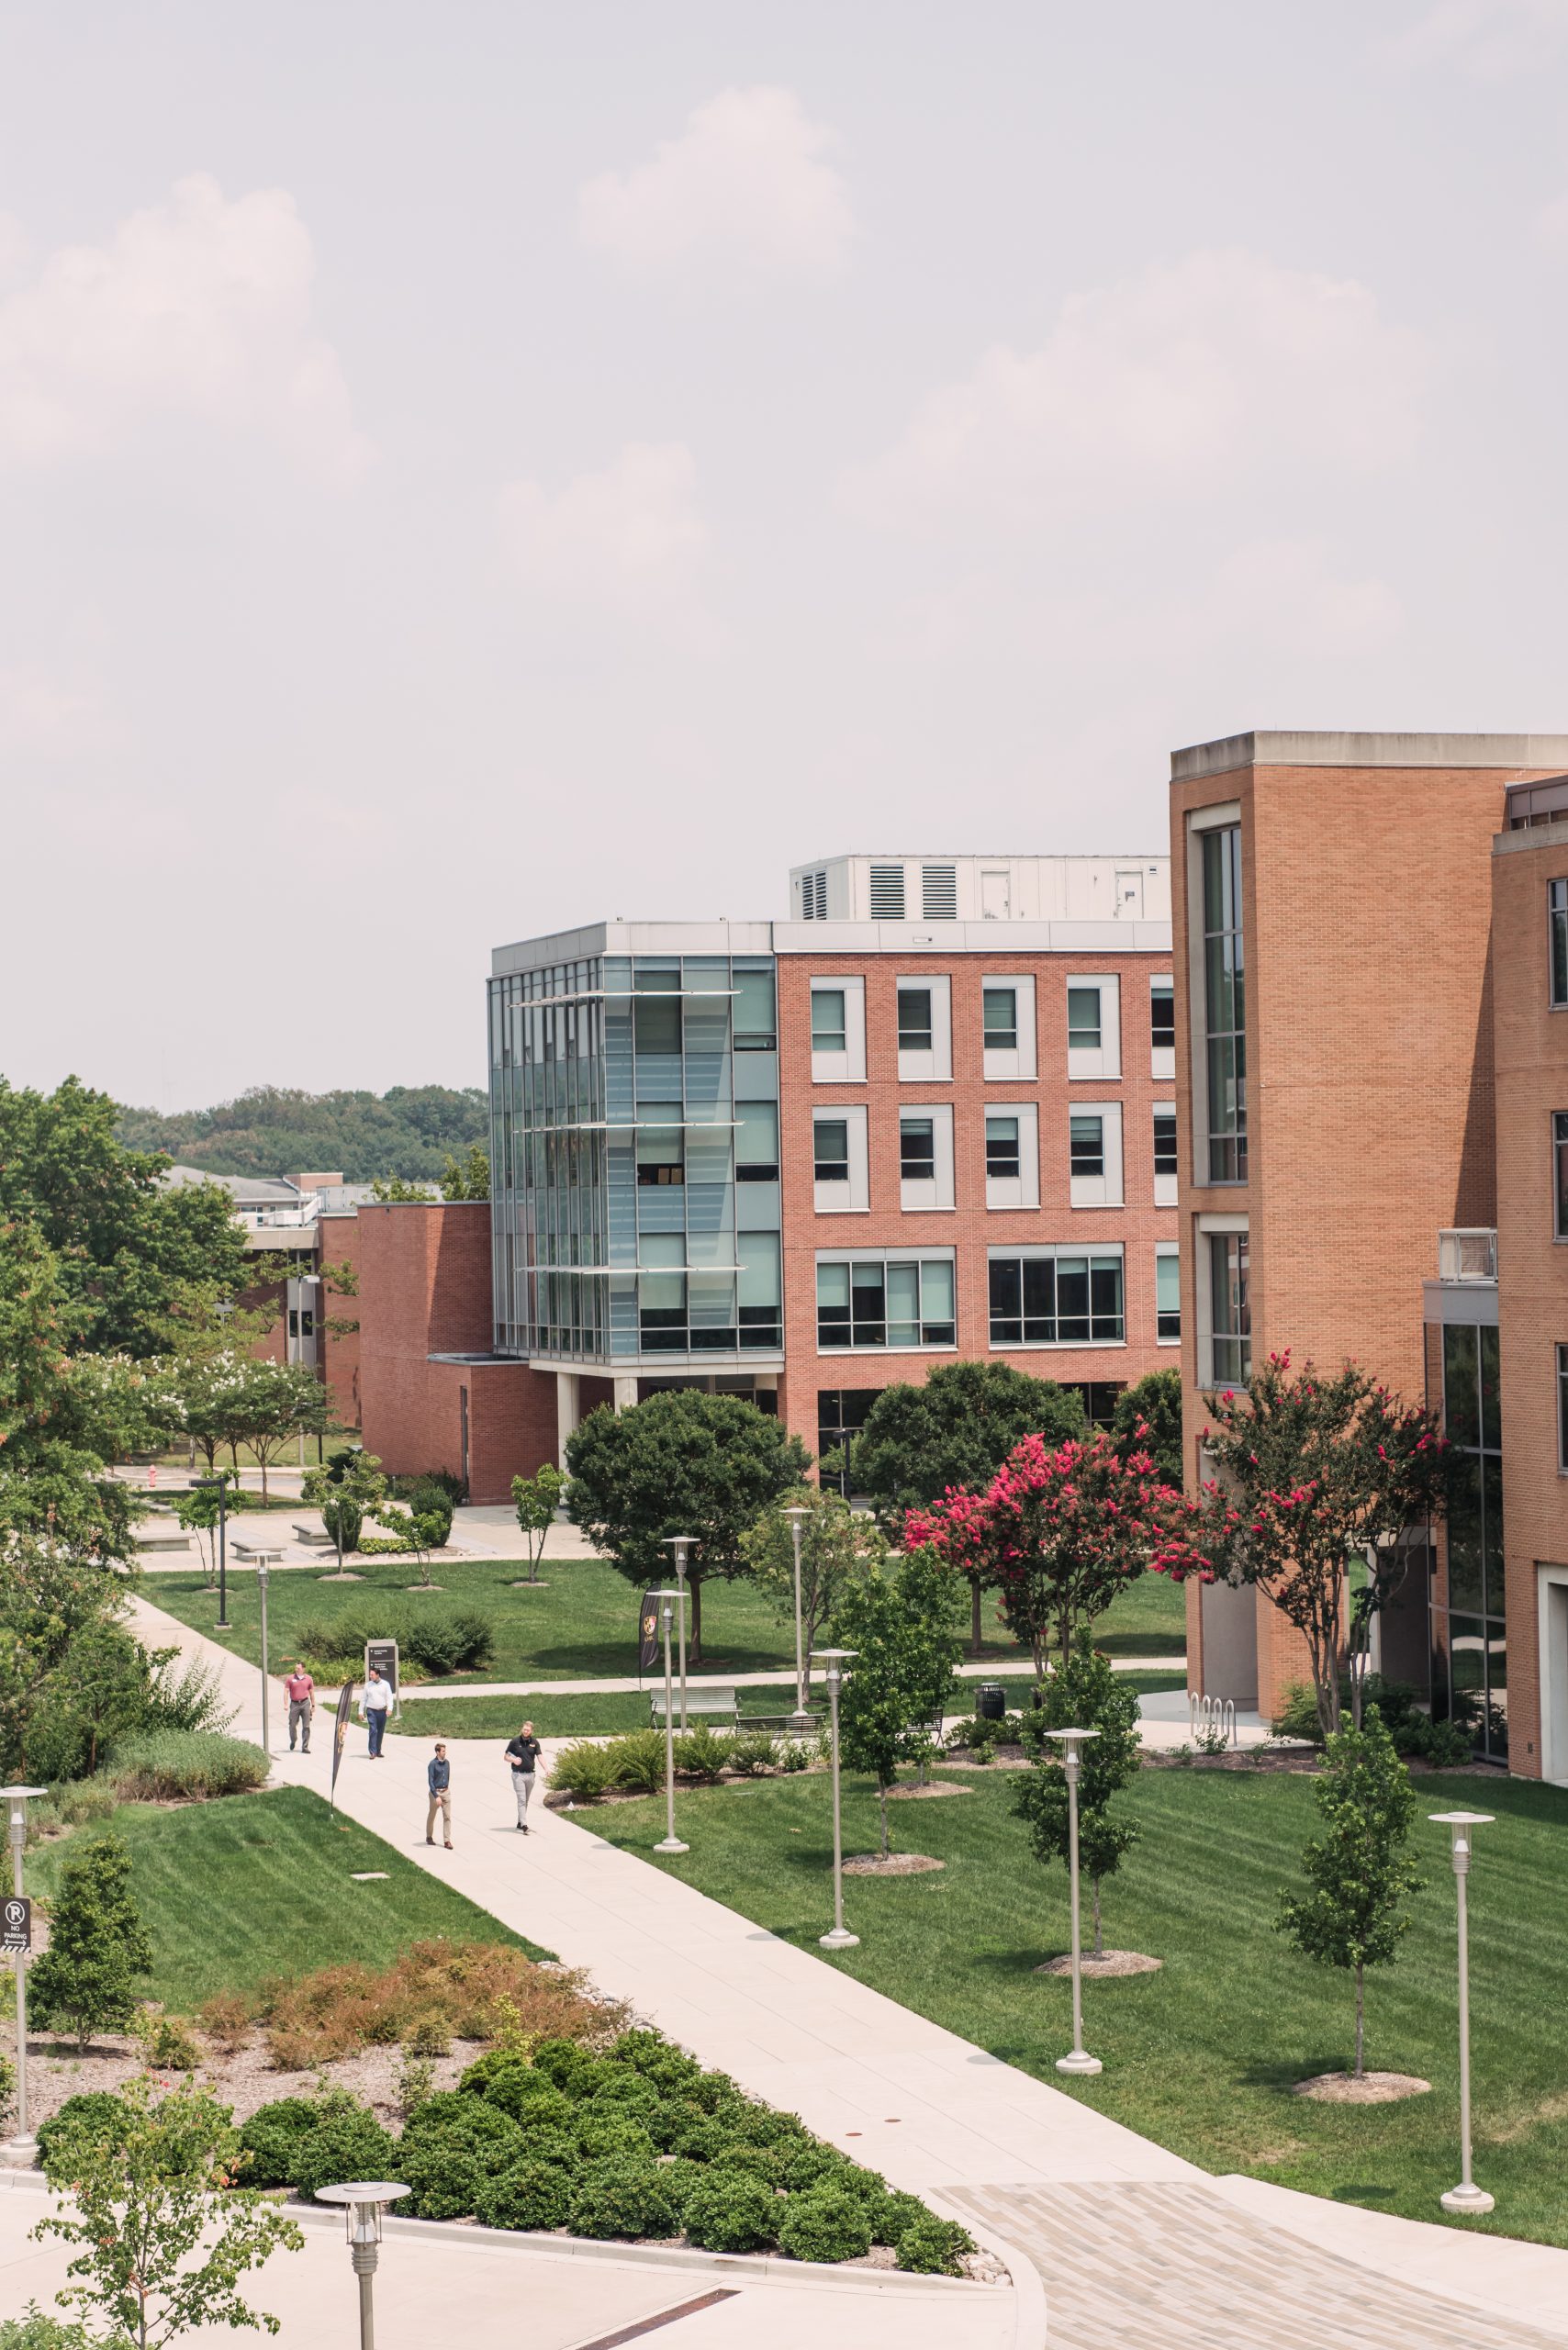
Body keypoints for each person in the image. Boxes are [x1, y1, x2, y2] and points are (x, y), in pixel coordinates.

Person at [504, 1722, 542, 1832]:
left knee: (525, 1801)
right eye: (524, 1729)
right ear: (522, 1729)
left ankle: (520, 1823)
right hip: (518, 1775)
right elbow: (506, 1756)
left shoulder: (535, 1742)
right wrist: (513, 1760)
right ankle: (524, 1825)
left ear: (531, 1731)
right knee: (521, 1800)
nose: (525, 1731)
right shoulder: (515, 1741)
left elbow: (540, 1756)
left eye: (528, 1730)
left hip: (530, 1775)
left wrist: (547, 1769)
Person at [284, 1664, 316, 1753]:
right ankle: (293, 1740)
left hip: (305, 1703)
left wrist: (313, 1705)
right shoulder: (290, 1678)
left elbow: (312, 1692)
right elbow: (286, 1691)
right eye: (296, 1668)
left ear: (303, 1669)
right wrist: (286, 1704)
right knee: (292, 1725)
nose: (296, 1669)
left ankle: (305, 1747)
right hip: (294, 1704)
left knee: (306, 1726)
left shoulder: (309, 1679)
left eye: (298, 1668)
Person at [362, 1665, 392, 1758]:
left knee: (380, 1731)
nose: (370, 1676)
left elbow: (389, 1697)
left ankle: (378, 1751)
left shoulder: (386, 1684)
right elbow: (363, 1699)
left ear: (378, 1675)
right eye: (370, 1675)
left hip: (382, 1711)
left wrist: (389, 1709)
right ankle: (372, 1752)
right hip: (371, 1711)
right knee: (373, 1731)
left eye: (372, 1675)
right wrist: (360, 1711)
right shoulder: (368, 1685)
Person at [426, 1742, 453, 1847]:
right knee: (432, 1815)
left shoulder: (447, 1763)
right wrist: (436, 1796)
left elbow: (447, 1777)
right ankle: (429, 1836)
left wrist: (446, 1790)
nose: (445, 1752)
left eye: (445, 1750)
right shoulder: (432, 1764)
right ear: (437, 1752)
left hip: (446, 1792)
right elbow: (430, 1781)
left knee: (447, 1817)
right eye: (443, 1751)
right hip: (435, 1793)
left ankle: (447, 1841)